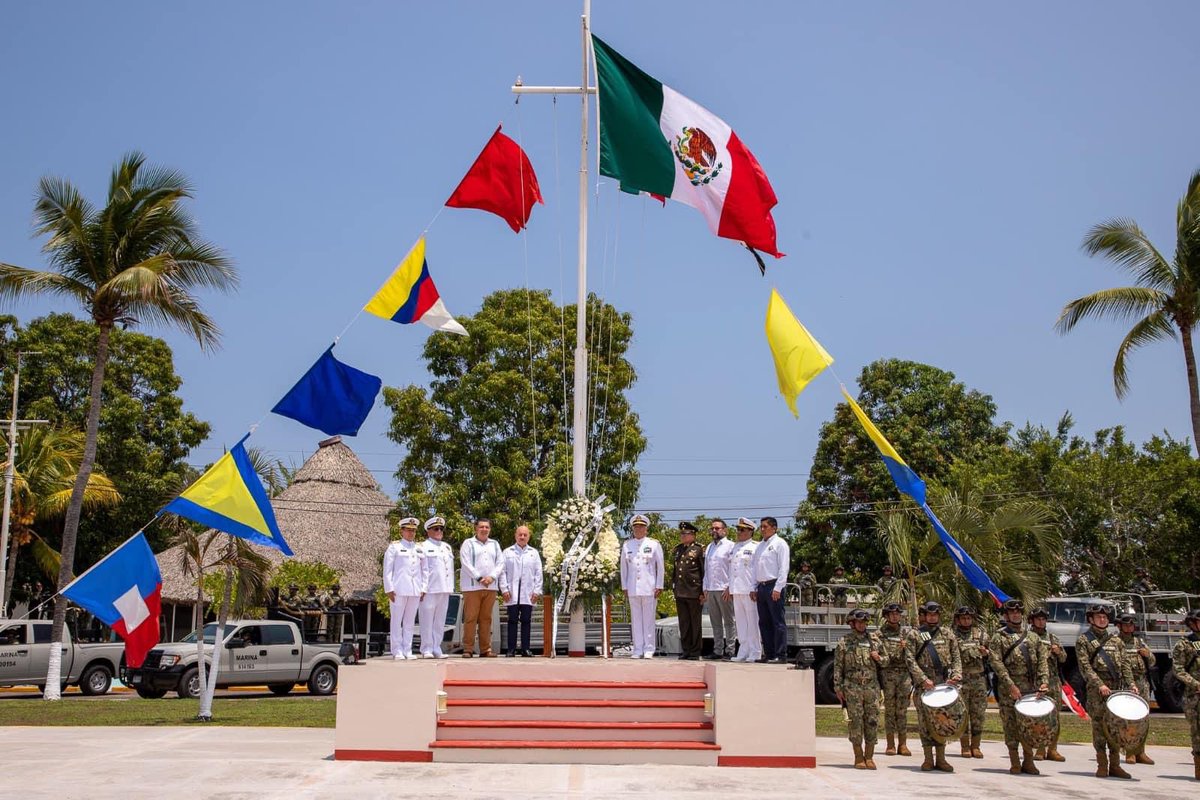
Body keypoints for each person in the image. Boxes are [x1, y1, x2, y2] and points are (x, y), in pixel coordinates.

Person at [988, 598, 1050, 775]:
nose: (1015, 615)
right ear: (1006, 616)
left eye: (1018, 612)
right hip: (1009, 689)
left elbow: (1042, 661)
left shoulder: (1033, 637)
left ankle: (1029, 761)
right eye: (1012, 612)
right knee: (1011, 725)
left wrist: (1044, 681)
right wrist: (1010, 685)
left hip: (1030, 688)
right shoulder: (999, 638)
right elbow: (996, 663)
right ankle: (1015, 761)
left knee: (1030, 725)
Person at [1076, 604, 1136, 779]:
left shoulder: (1116, 641)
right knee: (1099, 728)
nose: (1102, 620)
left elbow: (1125, 664)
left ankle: (1115, 765)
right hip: (1097, 692)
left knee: (1116, 728)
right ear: (1091, 619)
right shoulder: (1084, 640)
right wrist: (1099, 685)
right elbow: (1085, 667)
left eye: (1104, 617)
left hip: (1116, 690)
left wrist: (1131, 684)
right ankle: (1102, 764)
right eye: (1098, 617)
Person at [904, 601, 962, 772]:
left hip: (943, 684)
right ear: (924, 615)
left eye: (935, 614)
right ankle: (928, 759)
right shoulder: (915, 635)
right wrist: (922, 679)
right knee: (925, 723)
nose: (932, 617)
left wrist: (956, 674)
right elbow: (910, 659)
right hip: (925, 685)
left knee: (942, 721)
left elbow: (956, 657)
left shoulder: (947, 633)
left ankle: (941, 759)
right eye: (929, 614)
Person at [835, 608, 883, 769]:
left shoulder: (874, 641)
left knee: (872, 721)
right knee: (855, 722)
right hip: (852, 687)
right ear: (852, 623)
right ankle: (858, 757)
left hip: (871, 687)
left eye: (864, 622)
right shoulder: (844, 642)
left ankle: (869, 757)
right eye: (859, 622)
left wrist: (879, 657)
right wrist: (838, 688)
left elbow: (886, 661)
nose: (862, 625)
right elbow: (838, 666)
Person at [621, 514, 664, 659]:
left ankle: (649, 649)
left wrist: (659, 585)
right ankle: (638, 649)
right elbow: (624, 568)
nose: (638, 529)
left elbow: (660, 567)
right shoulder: (627, 545)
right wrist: (624, 586)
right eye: (636, 527)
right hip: (632, 587)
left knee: (649, 620)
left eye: (641, 527)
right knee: (636, 620)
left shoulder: (653, 544)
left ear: (646, 529)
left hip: (649, 587)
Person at [383, 517, 425, 660]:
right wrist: (389, 588)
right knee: (396, 621)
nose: (411, 533)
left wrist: (423, 588)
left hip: (415, 589)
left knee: (410, 622)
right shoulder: (394, 547)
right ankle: (397, 650)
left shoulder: (419, 548)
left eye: (413, 530)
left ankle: (408, 649)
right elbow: (387, 570)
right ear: (402, 531)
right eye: (408, 530)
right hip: (398, 589)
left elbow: (424, 570)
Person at [459, 518, 503, 658]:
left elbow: (500, 563)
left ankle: (485, 649)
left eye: (487, 527)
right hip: (472, 587)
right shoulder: (468, 543)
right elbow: (465, 562)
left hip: (490, 586)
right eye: (481, 527)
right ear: (476, 528)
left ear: (490, 529)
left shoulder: (495, 544)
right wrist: (479, 578)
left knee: (486, 618)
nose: (484, 529)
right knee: (471, 618)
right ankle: (468, 649)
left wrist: (492, 577)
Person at [1028, 607, 1067, 761]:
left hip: (1053, 681)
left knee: (1054, 717)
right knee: (1039, 716)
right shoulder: (1028, 637)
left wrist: (1058, 652)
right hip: (1035, 682)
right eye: (1038, 619)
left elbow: (1064, 658)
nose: (1041, 622)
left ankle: (1053, 748)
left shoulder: (1052, 638)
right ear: (1032, 621)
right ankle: (1040, 748)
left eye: (1043, 619)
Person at [1116, 612, 1155, 765]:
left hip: (1141, 683)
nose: (1129, 627)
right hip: (1125, 684)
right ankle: (1129, 752)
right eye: (1126, 624)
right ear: (1120, 626)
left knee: (1143, 718)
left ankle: (1141, 751)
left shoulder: (1139, 642)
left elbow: (1152, 661)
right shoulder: (1116, 642)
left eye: (1131, 624)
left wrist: (1148, 655)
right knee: (1127, 719)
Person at [499, 524, 543, 657]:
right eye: (520, 534)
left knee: (526, 621)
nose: (522, 537)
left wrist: (537, 591)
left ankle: (525, 649)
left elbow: (538, 573)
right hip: (511, 592)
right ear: (515, 536)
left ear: (529, 537)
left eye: (525, 535)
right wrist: (504, 589)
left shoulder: (534, 553)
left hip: (528, 593)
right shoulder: (507, 552)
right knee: (512, 620)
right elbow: (502, 572)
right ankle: (511, 649)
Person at [751, 517, 789, 664]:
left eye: (765, 527)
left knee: (777, 622)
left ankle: (780, 654)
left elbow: (784, 568)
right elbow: (755, 568)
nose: (762, 529)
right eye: (761, 527)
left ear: (774, 528)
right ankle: (769, 653)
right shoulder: (760, 546)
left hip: (774, 585)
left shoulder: (780, 544)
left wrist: (778, 588)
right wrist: (754, 587)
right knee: (764, 622)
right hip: (761, 586)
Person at [952, 606, 988, 759]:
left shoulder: (981, 635)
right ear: (958, 620)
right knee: (962, 713)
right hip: (961, 680)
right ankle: (965, 746)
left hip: (978, 679)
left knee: (978, 714)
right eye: (963, 618)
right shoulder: (952, 636)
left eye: (968, 618)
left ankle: (976, 746)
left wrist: (986, 653)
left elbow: (994, 656)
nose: (966, 621)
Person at [877, 602, 912, 757]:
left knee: (902, 710)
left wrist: (907, 647)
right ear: (886, 616)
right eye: (892, 614)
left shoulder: (907, 633)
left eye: (897, 614)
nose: (895, 616)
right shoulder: (879, 634)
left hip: (904, 675)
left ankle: (903, 744)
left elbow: (915, 653)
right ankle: (890, 744)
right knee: (890, 710)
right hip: (888, 675)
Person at [1170, 607, 1200, 781]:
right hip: (1194, 696)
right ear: (1192, 623)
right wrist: (1195, 684)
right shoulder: (1184, 644)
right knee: (1197, 732)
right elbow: (1178, 669)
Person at [418, 515, 455, 659]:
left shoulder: (446, 547)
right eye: (435, 529)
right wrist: (422, 588)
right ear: (428, 531)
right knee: (427, 620)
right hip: (430, 589)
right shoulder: (423, 547)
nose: (439, 531)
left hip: (445, 588)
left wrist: (450, 587)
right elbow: (420, 569)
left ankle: (436, 647)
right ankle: (426, 648)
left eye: (441, 529)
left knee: (440, 621)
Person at [725, 518, 761, 662]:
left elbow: (756, 569)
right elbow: (731, 570)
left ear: (751, 531)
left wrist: (754, 587)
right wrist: (730, 587)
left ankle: (755, 651)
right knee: (740, 623)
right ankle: (743, 651)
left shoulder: (755, 547)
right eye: (738, 529)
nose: (738, 532)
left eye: (742, 530)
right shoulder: (735, 547)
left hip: (749, 590)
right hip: (737, 589)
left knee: (752, 623)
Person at [702, 518, 736, 660]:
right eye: (712, 528)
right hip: (711, 588)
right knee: (715, 622)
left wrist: (730, 587)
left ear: (724, 530)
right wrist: (705, 587)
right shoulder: (709, 547)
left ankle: (730, 650)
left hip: (724, 589)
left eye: (717, 528)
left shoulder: (730, 546)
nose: (714, 530)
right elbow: (707, 569)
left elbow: (733, 569)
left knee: (728, 621)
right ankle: (717, 650)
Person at [671, 522, 705, 661]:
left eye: (686, 534)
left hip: (694, 591)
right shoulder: (678, 549)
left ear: (693, 535)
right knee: (684, 623)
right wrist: (674, 588)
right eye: (682, 534)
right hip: (680, 591)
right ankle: (686, 650)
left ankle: (695, 652)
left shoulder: (698, 549)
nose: (683, 536)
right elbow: (675, 571)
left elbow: (703, 571)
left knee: (695, 623)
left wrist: (702, 591)